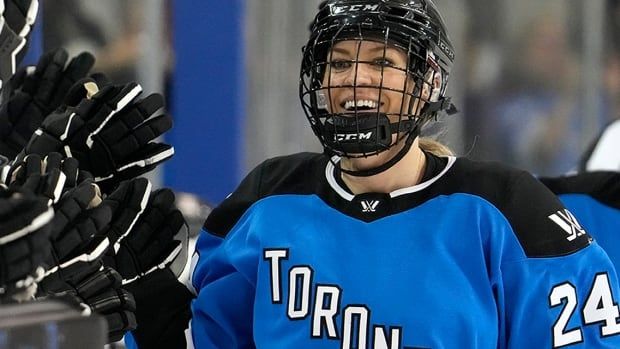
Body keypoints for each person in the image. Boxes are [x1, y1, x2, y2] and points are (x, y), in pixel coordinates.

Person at [131, 1, 620, 348]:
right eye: (339, 62)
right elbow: (203, 337)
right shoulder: (266, 197)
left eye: (382, 63)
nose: (356, 79)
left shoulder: (511, 210)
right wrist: (136, 302)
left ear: (426, 82)